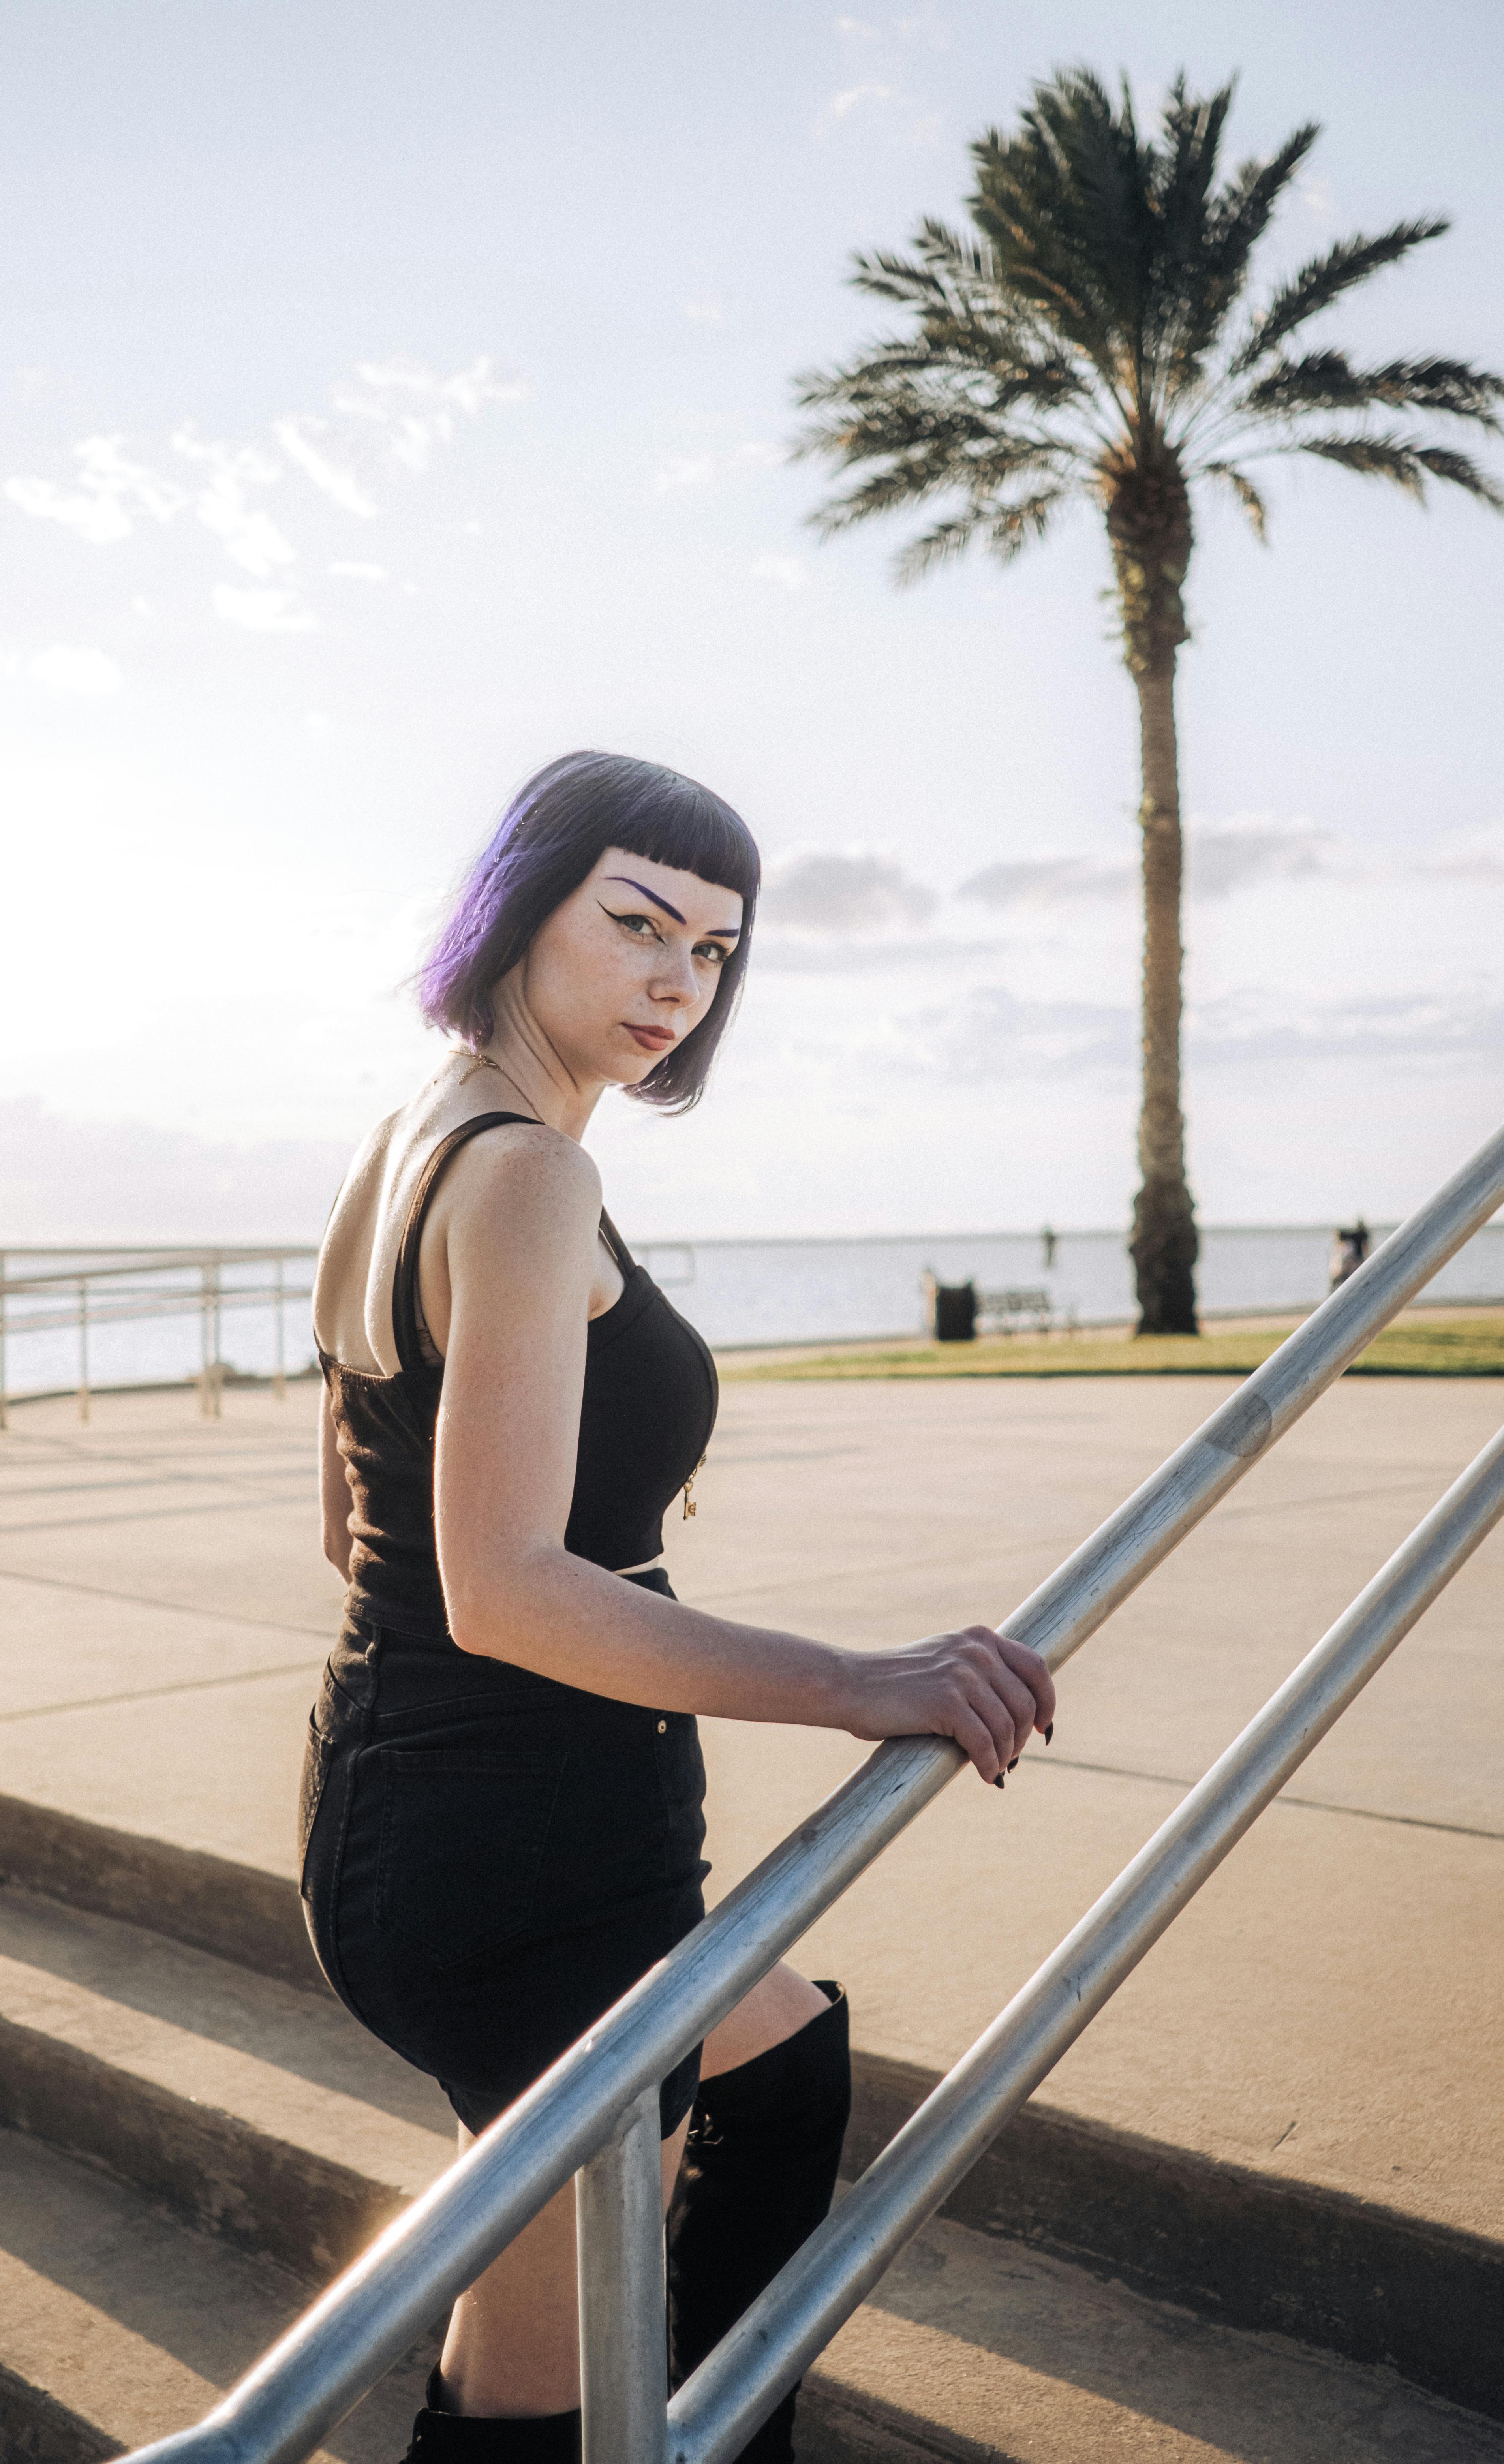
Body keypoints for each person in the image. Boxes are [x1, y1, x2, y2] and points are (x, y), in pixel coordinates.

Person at [301, 752, 1055, 2462]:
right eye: (635, 925)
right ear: (521, 904)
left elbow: (355, 1526)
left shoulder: (415, 1136)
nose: (674, 983)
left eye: (713, 951)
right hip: (507, 1858)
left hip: (460, 1807)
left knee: (779, 2067)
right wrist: (864, 1680)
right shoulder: (526, 1176)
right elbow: (494, 1592)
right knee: (531, 2380)